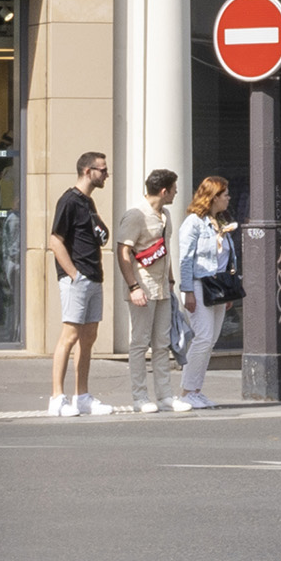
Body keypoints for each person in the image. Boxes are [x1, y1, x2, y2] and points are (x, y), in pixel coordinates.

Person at [45, 152, 113, 413]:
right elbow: (55, 240)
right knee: (70, 335)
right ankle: (56, 398)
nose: (106, 174)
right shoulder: (69, 200)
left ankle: (81, 396)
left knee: (89, 337)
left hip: (94, 276)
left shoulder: (88, 203)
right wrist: (73, 274)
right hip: (78, 278)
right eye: (102, 170)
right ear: (88, 171)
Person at [117, 171, 183, 409]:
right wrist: (133, 286)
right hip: (143, 286)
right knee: (140, 343)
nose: (176, 192)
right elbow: (123, 250)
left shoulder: (165, 215)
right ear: (164, 191)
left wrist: (172, 282)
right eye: (174, 188)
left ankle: (165, 396)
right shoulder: (136, 215)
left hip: (163, 287)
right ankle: (140, 397)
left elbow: (166, 251)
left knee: (162, 343)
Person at [174, 172, 240, 406]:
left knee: (210, 340)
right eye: (225, 194)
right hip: (200, 284)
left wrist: (229, 289)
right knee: (202, 337)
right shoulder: (193, 222)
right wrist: (187, 290)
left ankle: (196, 388)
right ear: (212, 197)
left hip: (219, 287)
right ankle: (186, 391)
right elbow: (185, 258)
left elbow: (227, 258)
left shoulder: (220, 221)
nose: (229, 198)